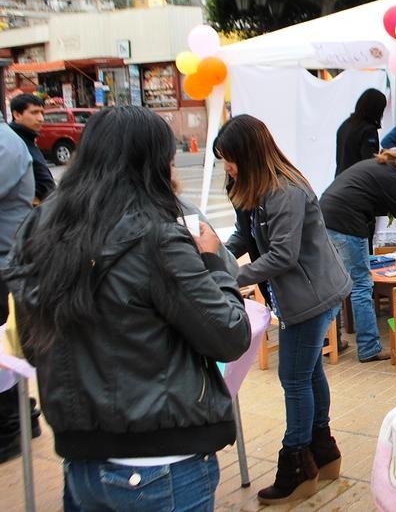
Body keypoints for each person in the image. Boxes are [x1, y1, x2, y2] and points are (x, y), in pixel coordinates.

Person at [3, 106, 251, 510]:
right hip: (161, 464)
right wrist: (210, 261)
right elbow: (229, 335)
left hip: (82, 461)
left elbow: (33, 345)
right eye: (169, 159)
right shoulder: (156, 237)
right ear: (150, 164)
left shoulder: (39, 230)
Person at [215, 114, 352, 504]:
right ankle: (322, 453)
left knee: (294, 378)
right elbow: (244, 235)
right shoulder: (251, 186)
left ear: (251, 154)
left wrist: (231, 279)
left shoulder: (284, 190)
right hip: (299, 294)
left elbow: (283, 255)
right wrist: (217, 259)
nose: (227, 167)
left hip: (311, 296)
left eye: (230, 158)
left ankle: (297, 466)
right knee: (309, 374)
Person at [320, 147, 396, 362]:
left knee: (336, 284)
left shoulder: (381, 167)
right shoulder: (391, 178)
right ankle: (369, 348)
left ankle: (329, 341)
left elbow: (374, 201)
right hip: (346, 224)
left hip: (325, 219)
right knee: (361, 284)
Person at [0, 122, 39, 464]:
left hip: (7, 261)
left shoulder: (5, 143)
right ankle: (21, 416)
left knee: (10, 352)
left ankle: (13, 423)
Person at [10, 93, 55, 202]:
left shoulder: (28, 138)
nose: (40, 118)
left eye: (42, 113)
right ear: (17, 115)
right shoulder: (13, 142)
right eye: (34, 112)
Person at [335, 88, 387, 177]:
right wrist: (384, 158)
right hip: (358, 183)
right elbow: (370, 164)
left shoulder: (345, 125)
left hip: (340, 181)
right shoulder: (368, 130)